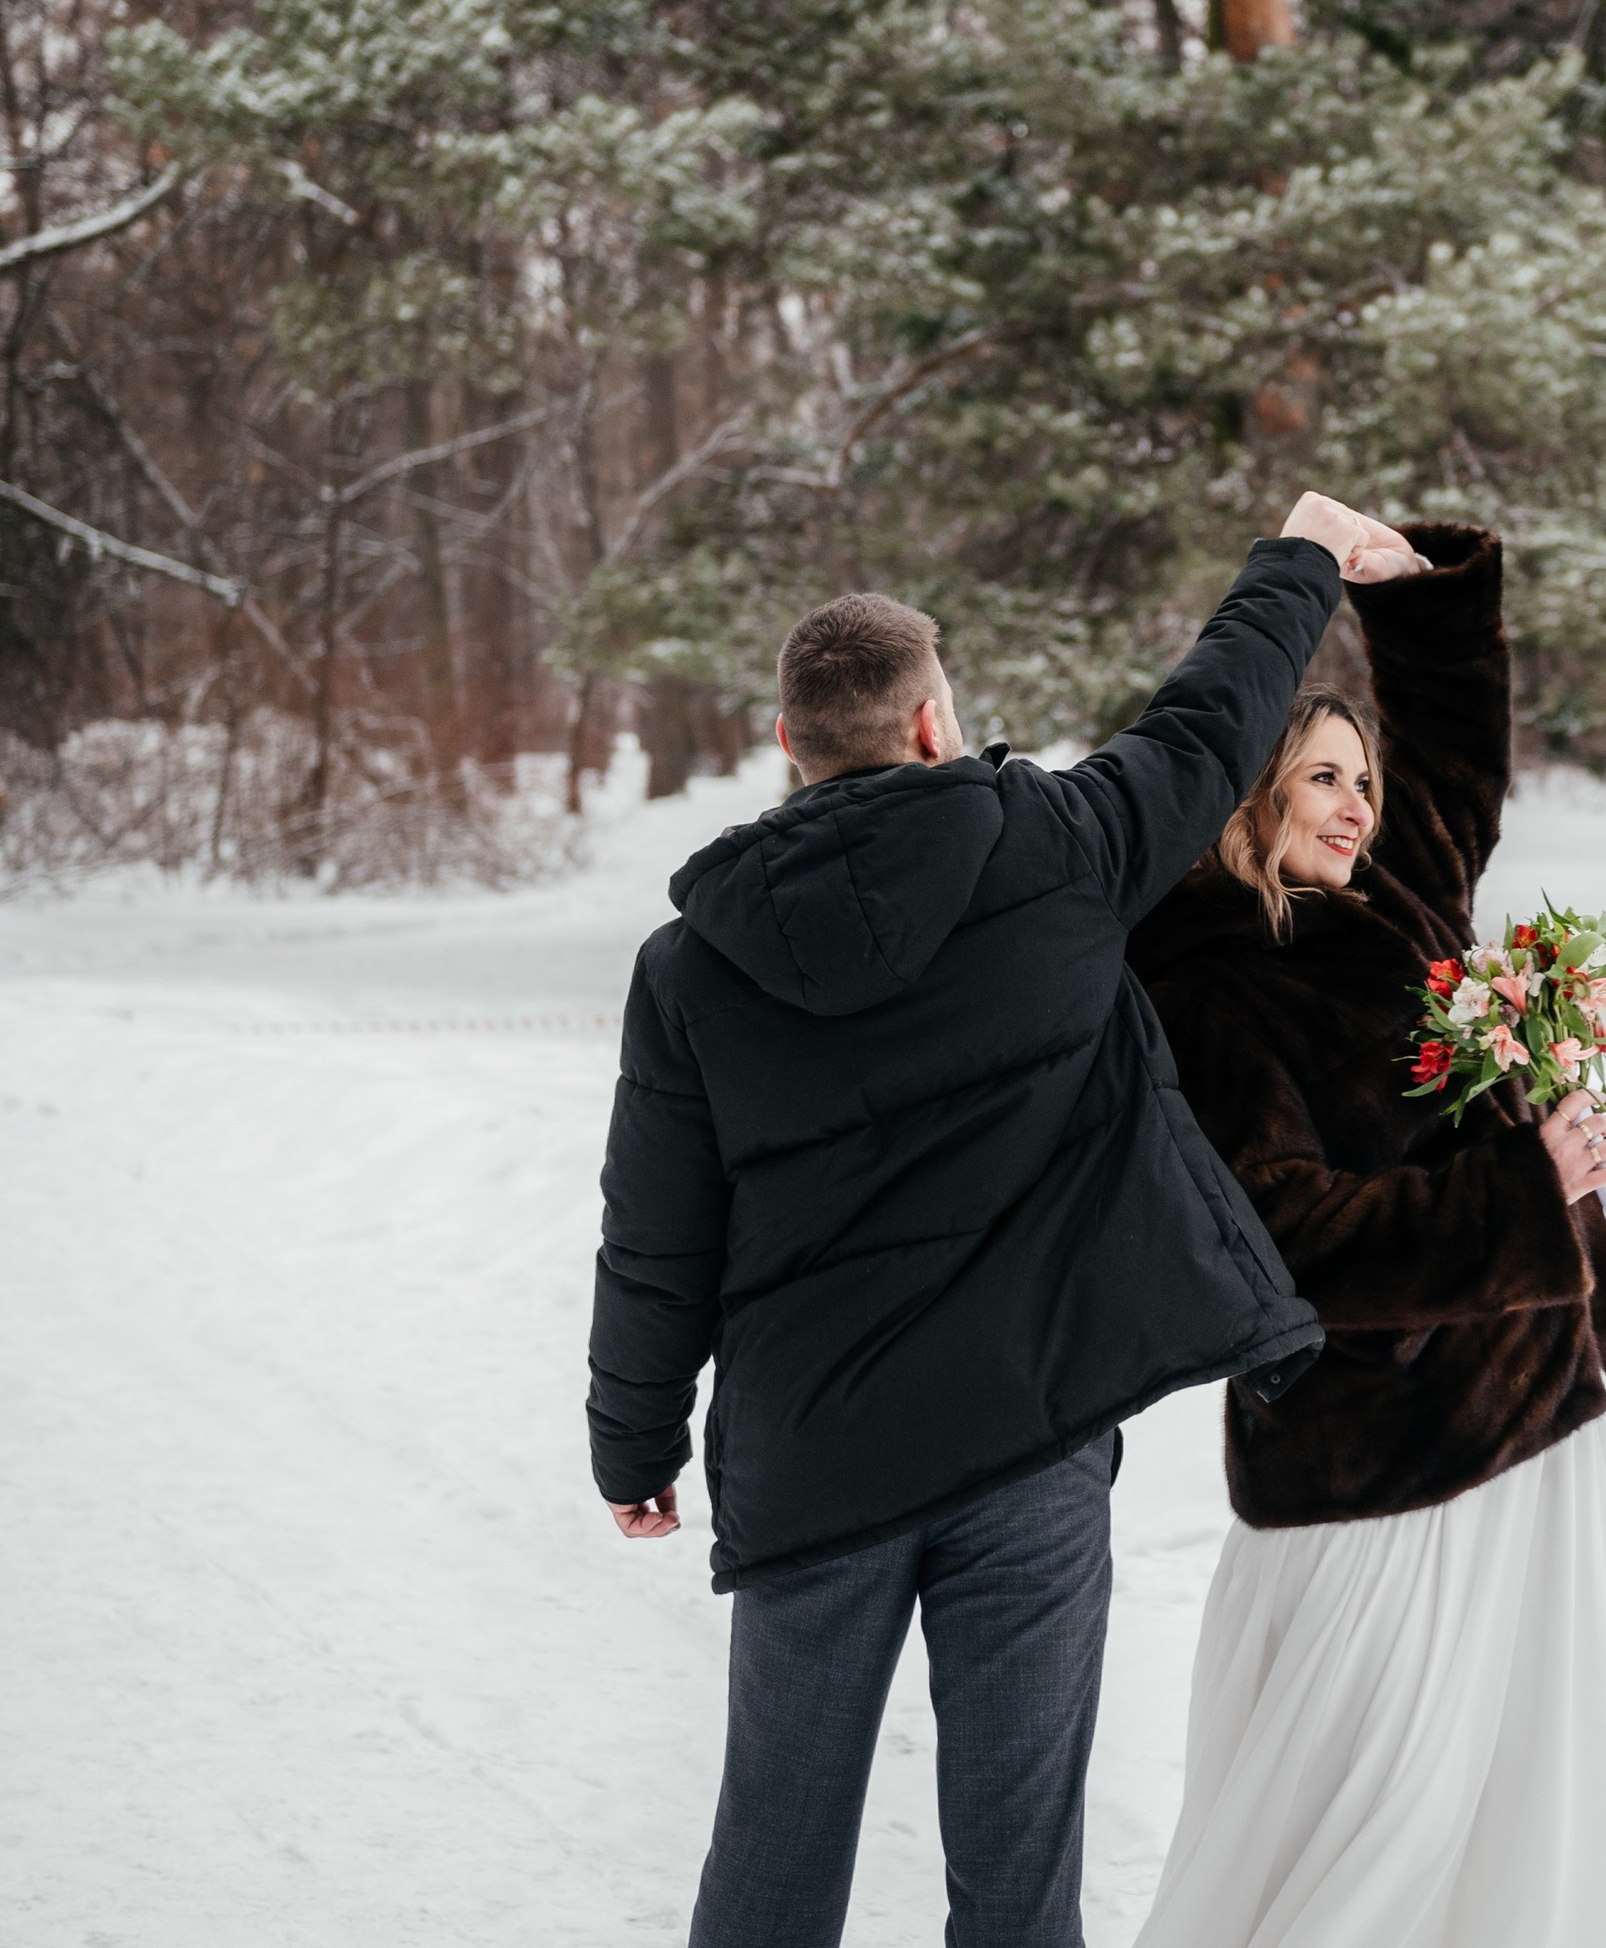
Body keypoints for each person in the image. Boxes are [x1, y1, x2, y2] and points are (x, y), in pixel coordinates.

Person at [585, 493, 1425, 1948]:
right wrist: (1297, 555)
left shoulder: (687, 967)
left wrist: (633, 1444)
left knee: (773, 1862)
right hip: (1028, 1452)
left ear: (790, 747)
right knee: (1018, 1876)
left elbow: (655, 1240)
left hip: (814, 1468)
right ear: (931, 727)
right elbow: (1214, 722)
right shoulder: (1056, 848)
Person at [1126, 520, 1606, 1948]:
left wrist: (1421, 595)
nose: (1356, 804)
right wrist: (1515, 1198)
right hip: (1373, 1473)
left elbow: (1456, 767)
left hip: (1525, 1428)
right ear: (1251, 794)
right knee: (1359, 1831)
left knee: (1530, 1812)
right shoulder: (1212, 979)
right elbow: (1280, 1233)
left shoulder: (1400, 918)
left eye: (1361, 780)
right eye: (1321, 776)